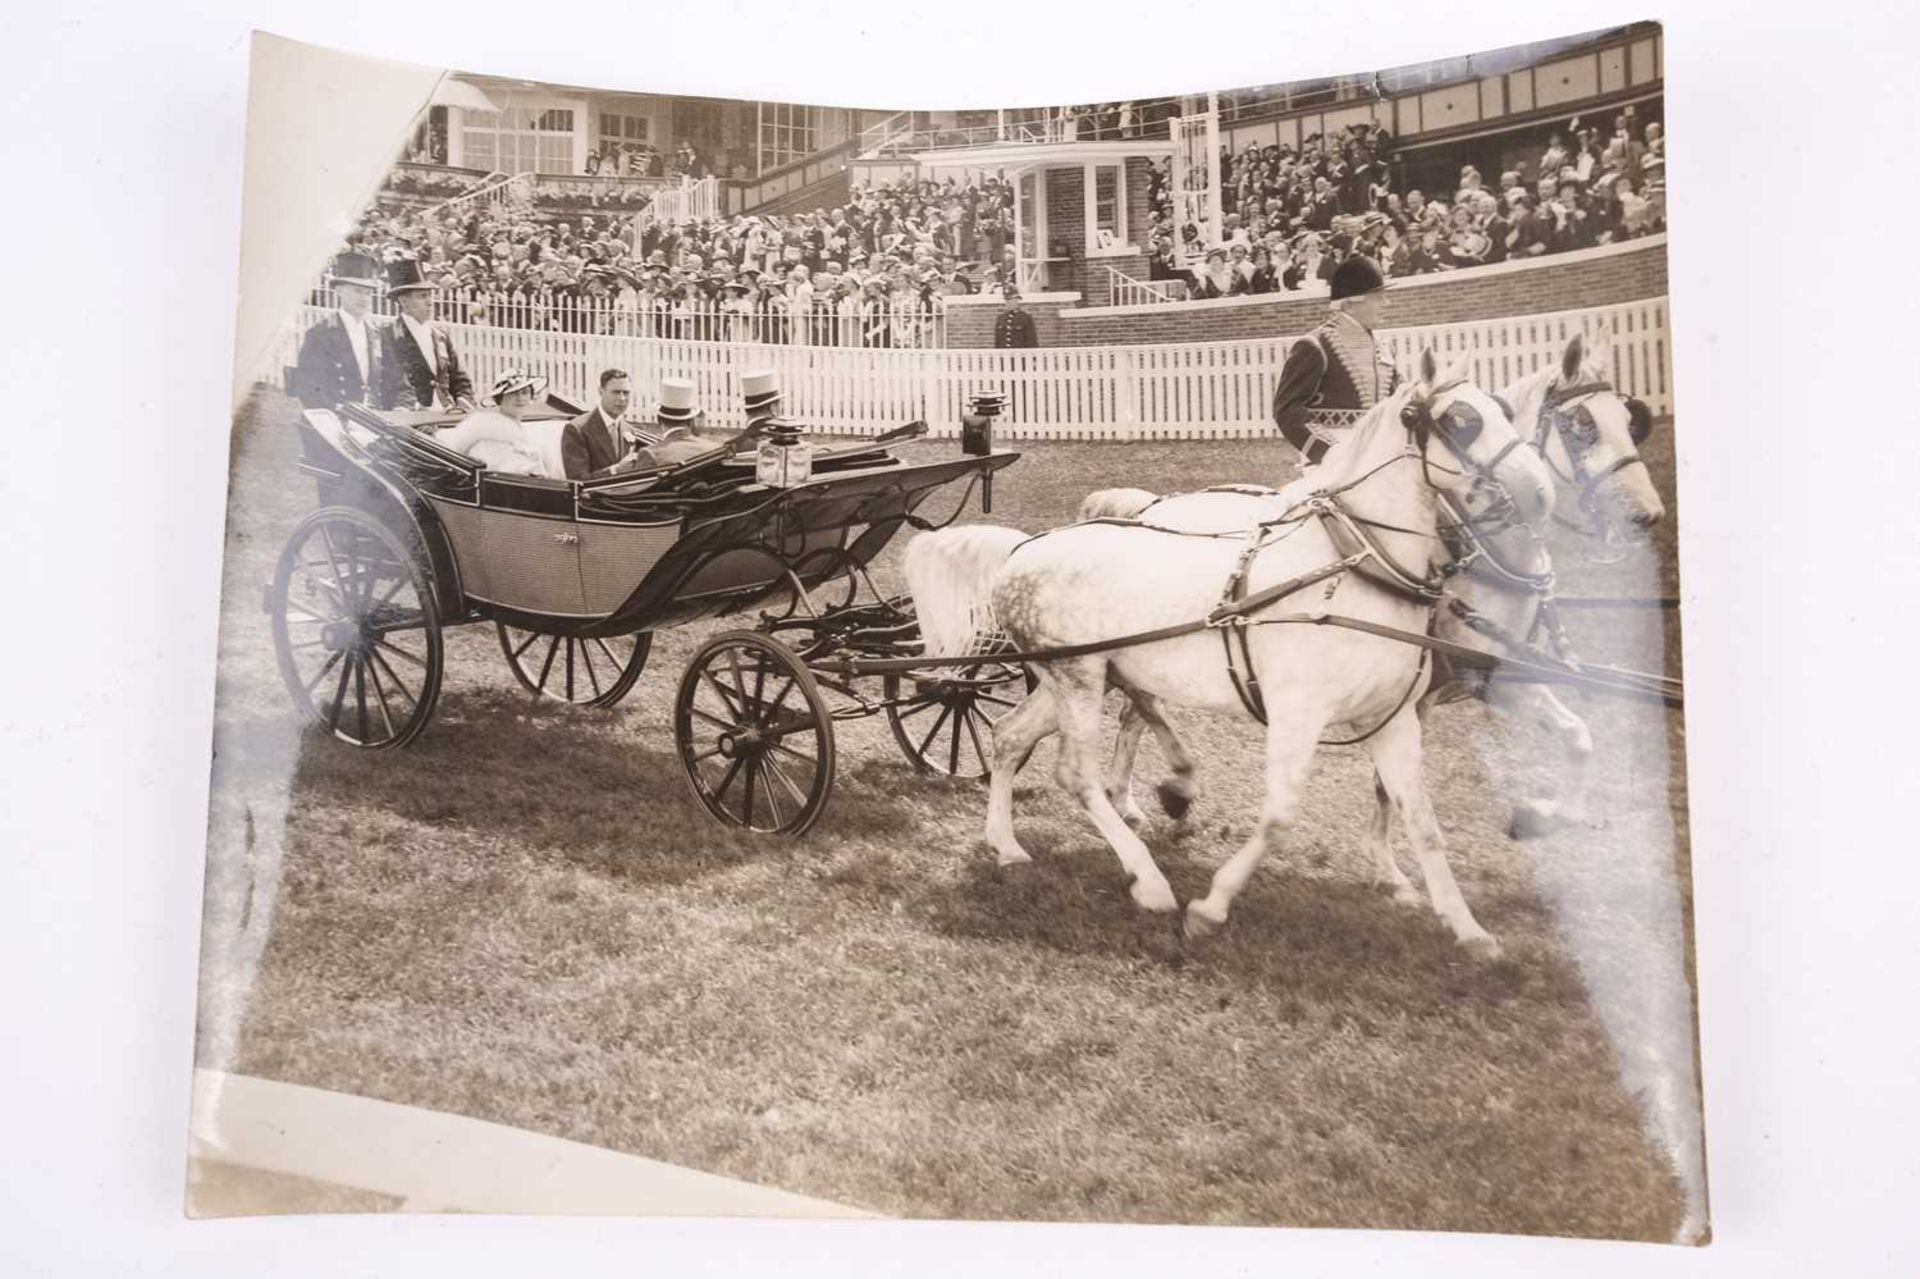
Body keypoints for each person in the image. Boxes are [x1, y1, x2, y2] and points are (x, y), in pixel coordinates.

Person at [1269, 253, 1396, 466]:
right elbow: (1287, 410)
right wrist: (1329, 453)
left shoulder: (1383, 345)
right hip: (1332, 462)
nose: (1387, 303)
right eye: (1378, 297)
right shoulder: (1315, 345)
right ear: (1352, 303)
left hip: (1380, 458)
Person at [292, 251, 388, 410]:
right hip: (336, 419)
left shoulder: (375, 334)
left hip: (373, 420)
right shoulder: (320, 334)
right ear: (339, 291)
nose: (364, 298)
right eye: (357, 291)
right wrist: (338, 413)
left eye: (368, 293)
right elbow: (309, 388)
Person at [378, 258, 474, 412]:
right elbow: (393, 384)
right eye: (422, 296)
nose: (430, 302)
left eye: (430, 296)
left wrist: (463, 404)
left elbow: (460, 380)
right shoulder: (388, 336)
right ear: (403, 301)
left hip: (447, 415)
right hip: (411, 419)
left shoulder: (440, 335)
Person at [435, 369, 553, 476]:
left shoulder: (525, 431)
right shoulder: (488, 432)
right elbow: (503, 471)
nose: (520, 399)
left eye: (525, 392)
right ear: (500, 399)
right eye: (513, 394)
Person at [560, 368, 639, 479]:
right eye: (616, 392)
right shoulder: (577, 429)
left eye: (626, 393)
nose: (622, 398)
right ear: (601, 392)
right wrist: (616, 470)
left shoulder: (628, 429)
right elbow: (578, 480)